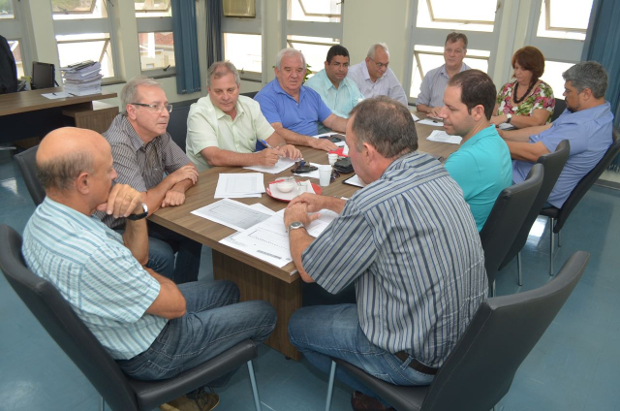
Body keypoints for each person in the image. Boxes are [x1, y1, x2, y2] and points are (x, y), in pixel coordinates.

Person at [22, 127, 277, 411]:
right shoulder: (95, 254)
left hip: (116, 326)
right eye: (108, 170)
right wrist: (147, 275)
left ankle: (196, 372)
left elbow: (137, 259)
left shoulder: (43, 220)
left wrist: (136, 213)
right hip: (151, 351)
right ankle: (194, 388)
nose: (115, 175)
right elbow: (175, 304)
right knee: (266, 314)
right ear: (83, 182)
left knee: (228, 289)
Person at [285, 96, 487, 411]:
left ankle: (380, 396)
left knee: (297, 326)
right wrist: (328, 203)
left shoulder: (373, 204)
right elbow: (387, 210)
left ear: (367, 151)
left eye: (349, 148)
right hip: (464, 345)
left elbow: (310, 269)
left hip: (414, 359)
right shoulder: (441, 174)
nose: (348, 155)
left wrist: (295, 223)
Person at [101, 76, 203, 284]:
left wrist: (180, 189)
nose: (165, 114)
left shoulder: (158, 134)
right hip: (113, 227)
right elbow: (141, 205)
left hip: (146, 216)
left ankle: (186, 292)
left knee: (195, 231)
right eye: (155, 107)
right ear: (132, 111)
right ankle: (163, 304)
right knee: (162, 254)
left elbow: (189, 170)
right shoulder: (118, 144)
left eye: (166, 106)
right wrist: (171, 181)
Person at [502, 61, 614, 208]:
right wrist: (503, 135)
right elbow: (544, 129)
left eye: (568, 91)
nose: (563, 94)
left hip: (530, 187)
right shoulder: (589, 110)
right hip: (526, 173)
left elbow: (535, 154)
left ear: (586, 93)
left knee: (468, 179)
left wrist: (491, 142)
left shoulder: (583, 128)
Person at [186, 61, 302, 172]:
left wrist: (282, 147)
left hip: (246, 172)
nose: (226, 97)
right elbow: (213, 157)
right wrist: (256, 159)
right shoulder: (199, 113)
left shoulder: (250, 105)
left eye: (230, 90)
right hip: (208, 181)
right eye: (218, 91)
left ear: (238, 87)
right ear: (209, 90)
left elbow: (271, 137)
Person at [439, 69, 512, 231]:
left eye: (452, 108)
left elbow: (420, 209)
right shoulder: (496, 141)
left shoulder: (468, 159)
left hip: (457, 246)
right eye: (444, 104)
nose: (442, 113)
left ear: (478, 112)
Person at [254, 48, 347, 151]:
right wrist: (312, 141)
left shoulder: (311, 94)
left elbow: (332, 120)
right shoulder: (265, 98)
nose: (294, 75)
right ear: (277, 71)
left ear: (304, 73)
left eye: (299, 70)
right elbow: (276, 131)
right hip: (285, 154)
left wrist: (356, 129)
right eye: (288, 70)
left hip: (315, 150)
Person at [490, 46, 555, 128]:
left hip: (528, 139)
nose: (518, 72)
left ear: (534, 70)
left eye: (523, 69)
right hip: (500, 135)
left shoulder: (544, 91)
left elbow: (538, 122)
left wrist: (507, 118)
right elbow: (494, 114)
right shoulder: (507, 88)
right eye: (516, 68)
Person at [304, 45, 364, 132]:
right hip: (318, 136)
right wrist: (354, 124)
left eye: (345, 65)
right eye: (337, 64)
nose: (341, 69)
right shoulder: (314, 85)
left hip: (344, 133)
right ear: (326, 65)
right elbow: (328, 115)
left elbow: (362, 108)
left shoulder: (351, 85)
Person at [417, 32, 470, 117]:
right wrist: (430, 109)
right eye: (448, 50)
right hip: (434, 123)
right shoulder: (431, 75)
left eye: (457, 51)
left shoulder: (472, 79)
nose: (452, 55)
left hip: (460, 126)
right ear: (444, 51)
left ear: (464, 53)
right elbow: (420, 105)